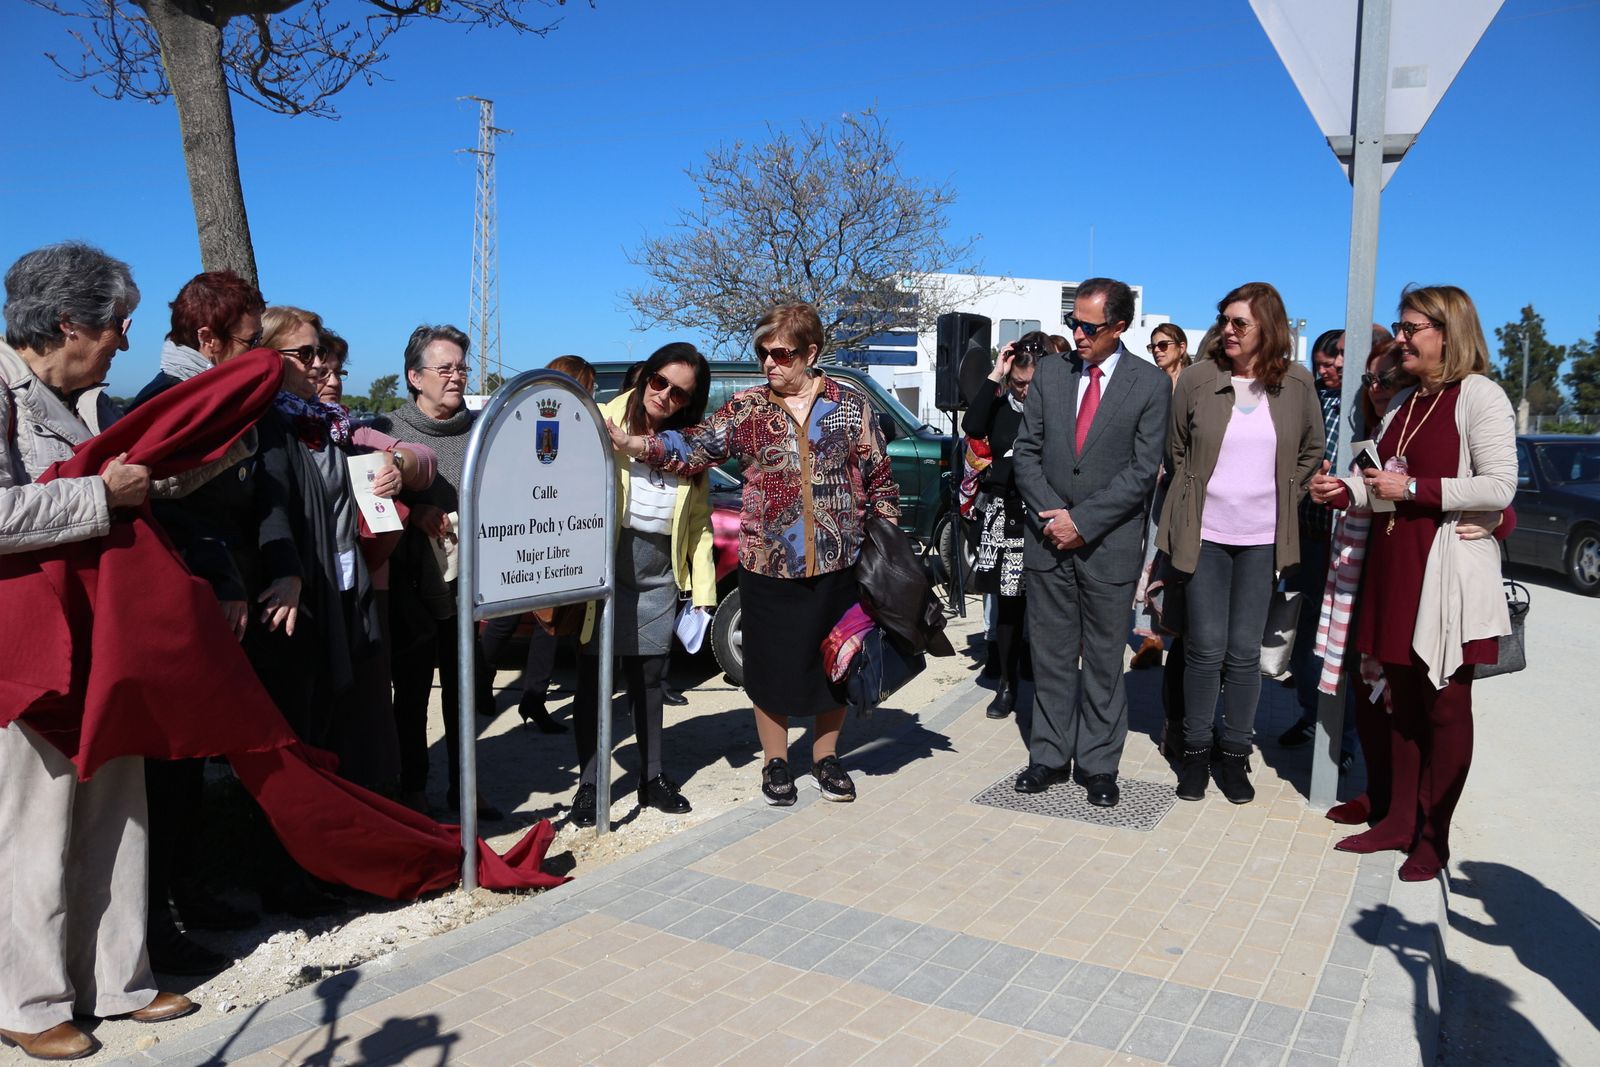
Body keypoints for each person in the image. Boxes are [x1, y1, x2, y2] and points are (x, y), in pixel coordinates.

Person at [1, 242, 198, 1061]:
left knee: (118, 808)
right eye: (119, 325)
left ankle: (118, 978)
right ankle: (26, 996)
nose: (125, 341)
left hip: (101, 644)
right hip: (25, 653)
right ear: (69, 322)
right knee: (33, 822)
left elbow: (138, 485)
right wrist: (97, 496)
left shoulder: (91, 400)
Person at [607, 303, 898, 807]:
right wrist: (636, 444)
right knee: (770, 666)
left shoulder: (852, 406)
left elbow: (880, 480)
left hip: (840, 562)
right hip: (768, 565)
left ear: (810, 353)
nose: (769, 363)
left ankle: (827, 759)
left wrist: (887, 545)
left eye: (780, 354)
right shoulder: (746, 409)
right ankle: (776, 762)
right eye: (762, 353)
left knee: (839, 660)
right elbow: (695, 446)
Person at [1308, 285, 1516, 882]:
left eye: (1410, 327)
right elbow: (1383, 481)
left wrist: (1418, 491)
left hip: (1445, 569)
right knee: (1397, 700)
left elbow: (1500, 487)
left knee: (1445, 707)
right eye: (1400, 328)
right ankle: (1398, 819)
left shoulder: (1479, 395)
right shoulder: (1408, 401)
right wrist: (1344, 490)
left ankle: (1434, 836)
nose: (1400, 339)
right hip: (1395, 566)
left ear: (1447, 331)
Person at [1156, 282, 1324, 804]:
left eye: (1240, 323)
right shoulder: (1199, 380)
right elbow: (1177, 449)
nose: (1227, 330)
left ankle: (1234, 755)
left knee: (1245, 653)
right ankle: (1195, 753)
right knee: (1204, 650)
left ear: (1268, 329)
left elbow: (1312, 448)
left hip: (1263, 538)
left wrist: (1284, 494)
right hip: (1203, 534)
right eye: (1224, 320)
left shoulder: (1296, 383)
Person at [1010, 277, 1170, 807]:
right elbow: (1026, 452)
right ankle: (1049, 756)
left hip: (1108, 546)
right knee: (1052, 657)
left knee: (1103, 661)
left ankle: (1099, 765)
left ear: (1119, 326)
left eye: (1089, 326)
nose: (1077, 334)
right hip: (1047, 540)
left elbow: (1142, 470)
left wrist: (1082, 521)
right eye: (1072, 323)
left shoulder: (1148, 384)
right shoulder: (1052, 374)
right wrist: (1052, 515)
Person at [567, 344, 716, 826]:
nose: (665, 396)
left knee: (650, 680)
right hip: (605, 566)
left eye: (679, 394)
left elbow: (699, 525)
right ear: (646, 376)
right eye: (660, 382)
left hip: (659, 574)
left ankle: (652, 779)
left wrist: (704, 595)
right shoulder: (599, 421)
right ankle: (590, 786)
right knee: (593, 679)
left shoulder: (689, 445)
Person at [374, 324, 500, 819]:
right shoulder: (385, 432)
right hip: (408, 585)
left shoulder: (483, 431)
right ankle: (413, 788)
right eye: (444, 368)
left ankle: (466, 787)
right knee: (410, 691)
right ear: (414, 376)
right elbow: (372, 504)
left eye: (461, 368)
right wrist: (415, 512)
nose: (455, 376)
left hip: (470, 587)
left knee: (464, 690)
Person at [478, 354, 596, 732]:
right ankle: (478, 682)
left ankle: (533, 697)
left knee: (550, 624)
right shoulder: (525, 417)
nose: (588, 393)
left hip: (559, 531)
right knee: (506, 619)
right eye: (586, 385)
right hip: (520, 529)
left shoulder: (579, 423)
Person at [963, 332, 1040, 718]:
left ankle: (1042, 681)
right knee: (1008, 605)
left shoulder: (1052, 409)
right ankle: (1006, 686)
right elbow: (974, 427)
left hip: (1042, 517)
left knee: (1042, 605)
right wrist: (996, 373)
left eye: (1031, 384)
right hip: (1005, 515)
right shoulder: (1001, 406)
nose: (1024, 391)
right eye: (1018, 383)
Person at [1130, 323, 1191, 671]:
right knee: (1148, 553)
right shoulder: (1152, 384)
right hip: (1149, 478)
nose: (1157, 351)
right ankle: (1151, 636)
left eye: (1164, 345)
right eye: (1153, 346)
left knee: (1169, 555)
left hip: (1178, 481)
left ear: (1181, 347)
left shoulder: (1192, 383)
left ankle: (1171, 627)